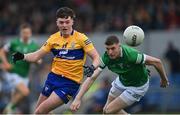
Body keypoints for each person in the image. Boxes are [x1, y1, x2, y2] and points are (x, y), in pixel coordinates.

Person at [11, 7, 99, 114]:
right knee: (40, 112)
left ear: (72, 21)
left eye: (67, 22)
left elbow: (96, 57)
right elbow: (36, 56)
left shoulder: (81, 38)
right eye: (61, 22)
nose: (64, 25)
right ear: (57, 23)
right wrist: (22, 56)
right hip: (53, 78)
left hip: (69, 83)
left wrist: (92, 67)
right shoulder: (53, 39)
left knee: (39, 112)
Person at [70, 35, 169, 114]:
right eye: (108, 49)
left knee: (109, 111)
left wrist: (164, 79)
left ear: (119, 46)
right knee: (105, 111)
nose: (110, 52)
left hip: (138, 86)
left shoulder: (131, 55)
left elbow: (157, 62)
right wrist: (78, 98)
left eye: (113, 48)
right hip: (122, 81)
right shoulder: (106, 58)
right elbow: (92, 78)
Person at [0, 23, 40, 113]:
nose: (26, 35)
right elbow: (2, 51)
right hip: (12, 72)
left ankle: (7, 111)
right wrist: (5, 63)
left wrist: (37, 61)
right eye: (24, 33)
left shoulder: (33, 46)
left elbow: (38, 61)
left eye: (28, 33)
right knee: (25, 92)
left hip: (24, 75)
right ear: (21, 33)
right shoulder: (14, 42)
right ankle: (9, 108)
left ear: (30, 33)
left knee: (15, 97)